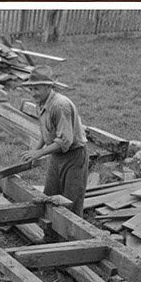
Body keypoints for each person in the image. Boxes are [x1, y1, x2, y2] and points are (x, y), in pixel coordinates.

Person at [22, 81, 90, 217]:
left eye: (36, 88)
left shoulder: (60, 105)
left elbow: (65, 141)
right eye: (31, 89)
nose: (33, 93)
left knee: (70, 201)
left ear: (48, 87)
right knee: (50, 196)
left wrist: (39, 153)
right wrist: (35, 153)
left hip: (74, 156)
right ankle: (49, 236)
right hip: (56, 155)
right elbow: (45, 131)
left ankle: (72, 237)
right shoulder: (41, 103)